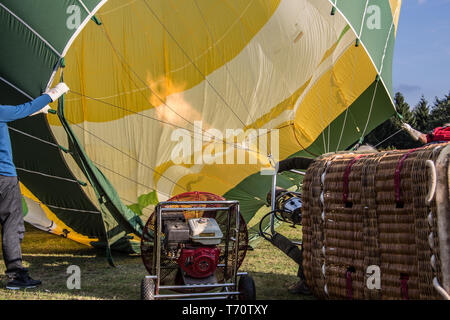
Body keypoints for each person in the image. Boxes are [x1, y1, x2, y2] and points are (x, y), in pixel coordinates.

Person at [0, 82, 69, 289]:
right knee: (12, 226)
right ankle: (16, 276)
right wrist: (54, 93)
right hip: (4, 178)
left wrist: (38, 109)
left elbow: (19, 113)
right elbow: (24, 109)